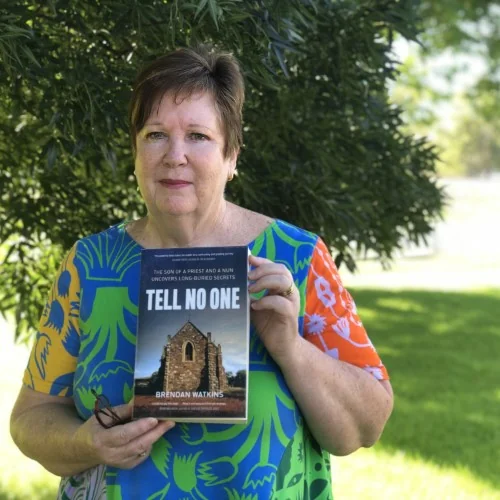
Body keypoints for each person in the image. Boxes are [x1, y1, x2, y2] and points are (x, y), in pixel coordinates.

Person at [10, 45, 393, 499]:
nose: (175, 155)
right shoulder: (91, 265)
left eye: (198, 135)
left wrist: (290, 348)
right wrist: (84, 441)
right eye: (155, 134)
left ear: (231, 156)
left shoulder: (297, 257)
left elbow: (365, 428)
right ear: (135, 151)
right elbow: (30, 418)